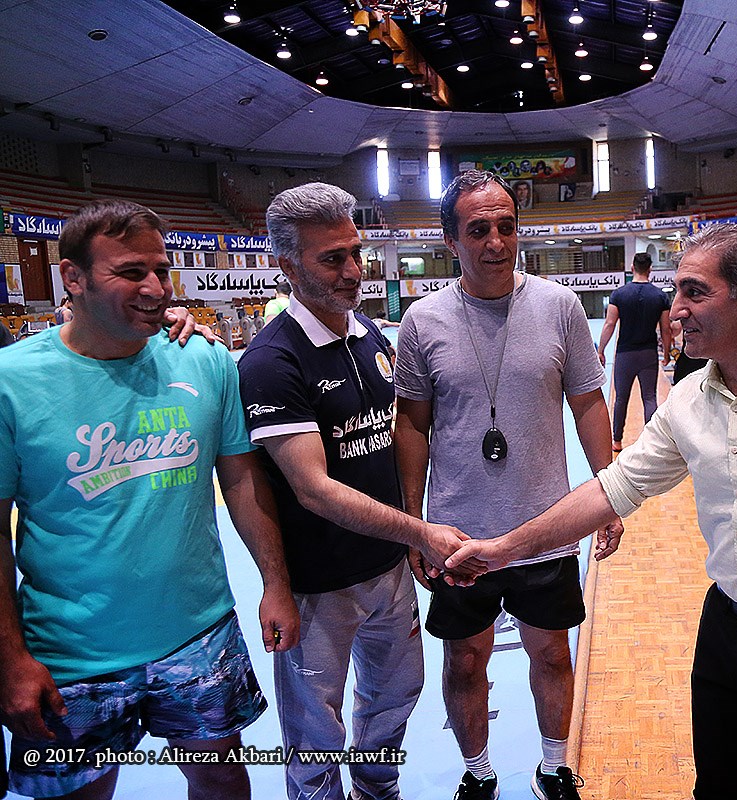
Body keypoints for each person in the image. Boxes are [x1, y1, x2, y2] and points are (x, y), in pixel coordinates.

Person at [447, 222, 737, 800]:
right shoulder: (688, 401)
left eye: (694, 293)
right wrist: (503, 550)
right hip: (727, 632)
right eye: (676, 292)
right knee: (718, 791)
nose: (675, 311)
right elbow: (610, 489)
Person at [0, 199, 300, 800]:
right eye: (131, 272)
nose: (156, 288)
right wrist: (9, 658)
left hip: (200, 633)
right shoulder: (12, 380)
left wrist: (276, 583)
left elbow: (242, 481)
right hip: (72, 652)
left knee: (222, 778)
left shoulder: (203, 358)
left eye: (162, 270)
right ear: (73, 277)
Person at [237, 183, 479, 800]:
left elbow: (392, 442)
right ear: (288, 265)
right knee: (315, 725)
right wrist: (421, 531)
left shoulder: (369, 335)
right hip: (318, 584)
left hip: (388, 570)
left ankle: (376, 789)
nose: (353, 270)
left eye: (355, 252)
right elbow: (314, 489)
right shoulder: (272, 362)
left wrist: (409, 535)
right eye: (332, 259)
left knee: (397, 694)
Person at [393, 170, 617, 800]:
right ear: (450, 241)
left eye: (506, 226)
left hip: (546, 525)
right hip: (457, 534)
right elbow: (411, 424)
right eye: (478, 230)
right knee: (465, 659)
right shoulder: (422, 321)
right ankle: (478, 772)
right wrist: (414, 522)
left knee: (552, 654)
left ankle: (554, 766)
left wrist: (608, 497)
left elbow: (589, 403)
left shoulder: (560, 307)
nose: (496, 242)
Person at [597, 252, 671, 452]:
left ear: (632, 269)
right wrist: (666, 353)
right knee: (649, 397)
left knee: (621, 398)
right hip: (648, 353)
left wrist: (601, 350)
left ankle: (617, 441)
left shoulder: (619, 294)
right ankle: (652, 442)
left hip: (625, 354)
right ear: (650, 270)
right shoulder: (660, 296)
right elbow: (665, 329)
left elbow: (610, 324)